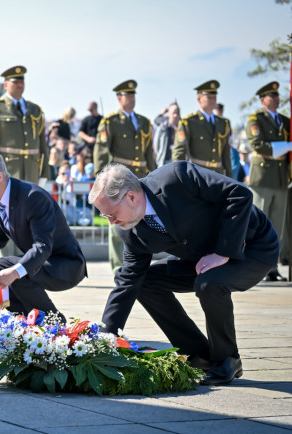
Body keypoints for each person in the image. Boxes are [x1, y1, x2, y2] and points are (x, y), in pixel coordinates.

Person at [88, 161, 279, 385]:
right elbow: (128, 282)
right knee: (146, 282)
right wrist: (106, 339)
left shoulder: (176, 177)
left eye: (111, 214)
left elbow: (238, 194)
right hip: (200, 258)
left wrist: (223, 252)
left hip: (251, 246)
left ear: (130, 196)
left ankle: (227, 359)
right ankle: (201, 354)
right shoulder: (131, 231)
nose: (111, 222)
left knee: (209, 284)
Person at [0, 148, 87, 316]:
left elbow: (42, 246)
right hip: (41, 261)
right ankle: (22, 317)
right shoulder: (0, 198)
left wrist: (14, 271)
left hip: (64, 265)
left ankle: (52, 321)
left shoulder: (33, 197)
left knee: (17, 271)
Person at [93, 80, 155, 272]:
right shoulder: (111, 121)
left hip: (141, 177)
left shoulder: (144, 122)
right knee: (117, 222)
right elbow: (101, 152)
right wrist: (102, 180)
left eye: (133, 95)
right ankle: (118, 266)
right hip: (119, 179)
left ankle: (140, 264)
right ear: (119, 98)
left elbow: (148, 153)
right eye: (127, 95)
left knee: (143, 221)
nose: (131, 99)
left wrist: (153, 176)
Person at [245, 81, 290, 282]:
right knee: (258, 225)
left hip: (280, 178)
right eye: (272, 96)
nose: (276, 99)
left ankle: (272, 267)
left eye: (277, 95)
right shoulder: (256, 119)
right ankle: (254, 267)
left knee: (276, 228)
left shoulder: (285, 120)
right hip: (262, 177)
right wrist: (286, 146)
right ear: (263, 100)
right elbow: (257, 144)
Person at [0, 65, 50, 183]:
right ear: (5, 85)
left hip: (32, 171)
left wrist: (45, 172)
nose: (20, 85)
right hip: (8, 169)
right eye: (15, 82)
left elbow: (42, 144)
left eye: (22, 81)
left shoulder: (35, 110)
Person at [172, 80, 232, 176]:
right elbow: (179, 153)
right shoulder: (189, 122)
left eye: (215, 97)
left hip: (218, 175)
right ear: (199, 99)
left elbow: (226, 154)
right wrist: (180, 177)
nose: (213, 100)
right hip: (198, 174)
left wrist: (230, 178)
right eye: (209, 97)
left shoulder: (223, 123)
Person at [153, 103, 180, 167]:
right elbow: (157, 147)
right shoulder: (162, 128)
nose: (175, 115)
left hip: (178, 165)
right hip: (164, 164)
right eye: (173, 113)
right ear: (169, 114)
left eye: (177, 113)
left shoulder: (182, 129)